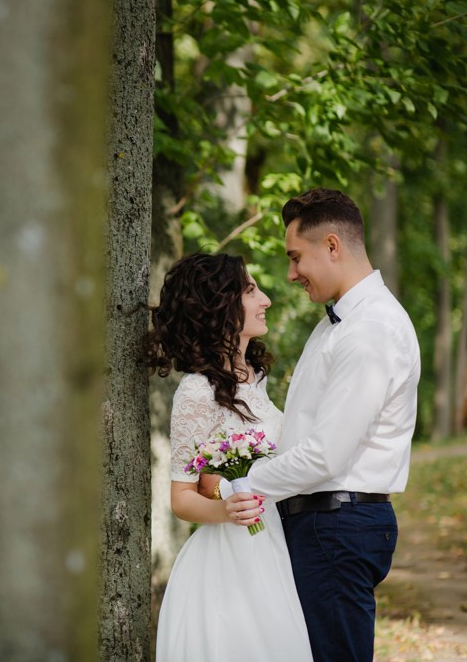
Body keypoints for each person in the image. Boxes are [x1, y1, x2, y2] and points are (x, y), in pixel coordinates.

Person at [231, 188, 421, 662]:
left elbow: (324, 455)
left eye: (296, 257)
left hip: (335, 527)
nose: (291, 274)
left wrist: (243, 484)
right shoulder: (337, 323)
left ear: (332, 245)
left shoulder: (370, 329)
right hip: (323, 524)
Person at [147, 252, 313, 662]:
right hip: (229, 555)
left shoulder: (256, 379)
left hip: (274, 540)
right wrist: (226, 509)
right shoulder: (197, 391)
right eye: (251, 290)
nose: (266, 299)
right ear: (220, 304)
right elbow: (182, 498)